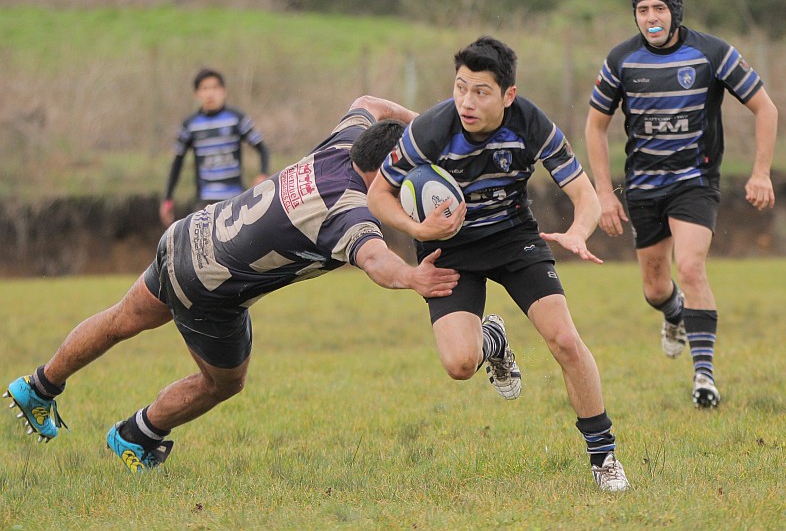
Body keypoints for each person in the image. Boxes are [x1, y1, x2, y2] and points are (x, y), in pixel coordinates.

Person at [4, 96, 459, 473]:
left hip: (188, 235)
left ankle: (39, 386)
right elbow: (378, 261)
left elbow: (368, 103)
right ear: (386, 169)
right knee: (223, 383)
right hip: (208, 288)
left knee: (123, 319)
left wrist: (419, 127)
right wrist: (415, 274)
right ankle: (135, 437)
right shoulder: (348, 207)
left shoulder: (342, 144)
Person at [367, 36, 630, 492]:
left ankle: (604, 458)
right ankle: (492, 340)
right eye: (460, 87)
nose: (467, 101)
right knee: (458, 364)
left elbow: (583, 193)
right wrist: (421, 231)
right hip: (450, 248)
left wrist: (577, 231)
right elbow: (378, 195)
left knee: (565, 340)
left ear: (508, 95)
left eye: (480, 91)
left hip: (513, 239)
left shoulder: (531, 124)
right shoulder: (430, 130)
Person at [584, 0, 778, 409]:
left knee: (690, 268)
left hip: (695, 180)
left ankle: (704, 376)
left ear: (675, 12)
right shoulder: (621, 60)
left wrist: (761, 172)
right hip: (643, 185)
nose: (650, 18)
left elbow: (765, 107)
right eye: (642, 10)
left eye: (658, 9)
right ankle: (674, 316)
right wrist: (604, 192)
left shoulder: (712, 53)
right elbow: (595, 126)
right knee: (656, 288)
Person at [160, 68, 271, 227]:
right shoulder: (190, 125)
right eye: (205, 89)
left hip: (236, 199)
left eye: (214, 88)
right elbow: (177, 162)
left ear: (223, 91)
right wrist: (167, 199)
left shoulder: (236, 118)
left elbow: (262, 148)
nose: (210, 94)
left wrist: (263, 173)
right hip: (204, 201)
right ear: (197, 94)